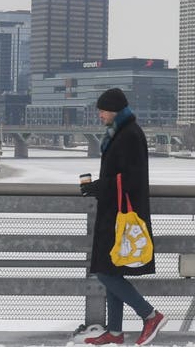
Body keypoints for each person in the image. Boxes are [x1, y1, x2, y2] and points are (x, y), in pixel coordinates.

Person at [80, 88, 168, 345]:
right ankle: (116, 333)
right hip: (114, 211)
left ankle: (150, 315)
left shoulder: (129, 135)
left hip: (122, 215)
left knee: (106, 272)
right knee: (111, 271)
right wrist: (99, 186)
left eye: (102, 110)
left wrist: (98, 187)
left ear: (114, 110)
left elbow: (132, 177)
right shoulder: (120, 132)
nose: (99, 115)